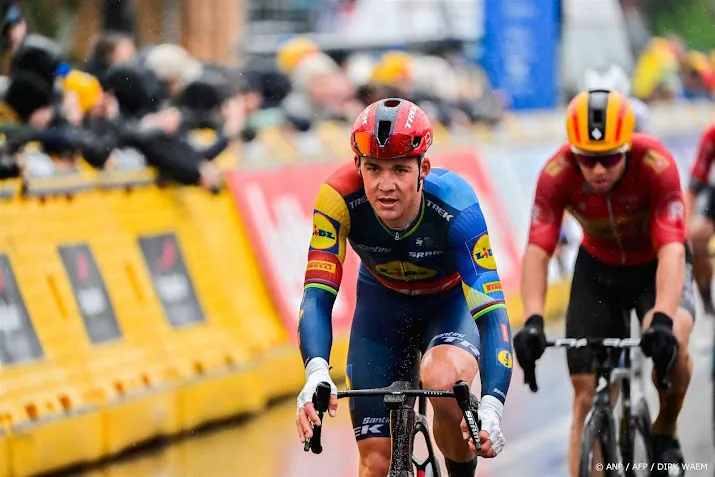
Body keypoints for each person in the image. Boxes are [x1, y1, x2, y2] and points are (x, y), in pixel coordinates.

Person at [295, 98, 514, 477]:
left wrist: (492, 404)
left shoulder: (456, 205)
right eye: (373, 169)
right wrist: (316, 371)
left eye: (399, 169)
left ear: (422, 169)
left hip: (448, 306)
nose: (385, 185)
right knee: (375, 462)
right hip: (381, 308)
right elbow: (316, 295)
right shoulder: (337, 199)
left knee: (442, 379)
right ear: (358, 166)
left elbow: (493, 313)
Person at [512, 89, 694, 477]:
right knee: (586, 394)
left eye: (609, 158)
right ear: (573, 153)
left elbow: (672, 249)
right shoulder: (557, 173)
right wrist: (533, 320)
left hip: (656, 266)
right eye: (587, 159)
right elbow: (538, 250)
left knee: (673, 345)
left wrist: (662, 319)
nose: (597, 170)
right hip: (599, 270)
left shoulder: (656, 164)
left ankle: (665, 429)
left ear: (627, 146)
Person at [684, 124, 715, 316]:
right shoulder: (711, 134)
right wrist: (685, 232)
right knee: (696, 238)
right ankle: (707, 299)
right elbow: (692, 189)